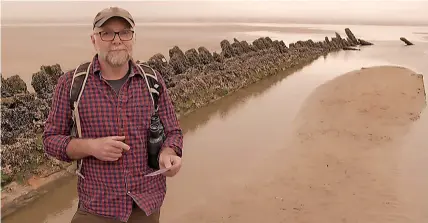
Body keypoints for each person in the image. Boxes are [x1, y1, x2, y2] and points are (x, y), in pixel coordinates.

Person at [43, 6, 183, 223]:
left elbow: (173, 131)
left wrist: (169, 153)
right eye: (106, 33)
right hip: (96, 207)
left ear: (133, 38)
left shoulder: (152, 81)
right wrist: (91, 147)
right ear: (94, 39)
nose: (117, 40)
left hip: (146, 205)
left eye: (124, 32)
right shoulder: (71, 84)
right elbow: (50, 140)